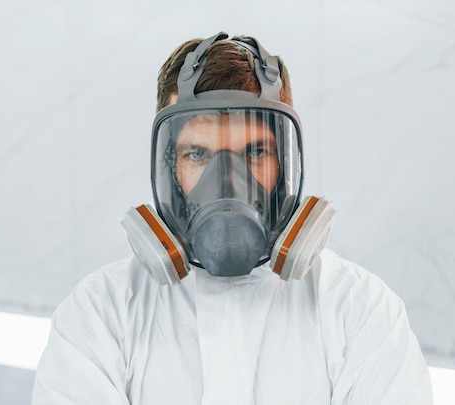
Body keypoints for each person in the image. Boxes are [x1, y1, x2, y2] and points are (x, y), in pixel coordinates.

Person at [32, 32, 434, 404]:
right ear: (168, 168)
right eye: (197, 154)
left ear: (286, 165)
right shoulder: (100, 314)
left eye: (255, 153)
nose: (226, 183)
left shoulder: (360, 311)